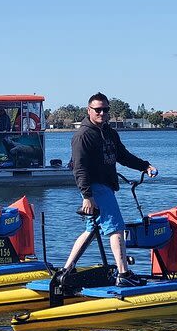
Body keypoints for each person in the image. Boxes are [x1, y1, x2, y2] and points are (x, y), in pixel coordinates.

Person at [62, 92, 158, 287]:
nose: (102, 113)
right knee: (116, 228)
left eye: (105, 110)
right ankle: (123, 274)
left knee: (91, 230)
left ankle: (66, 269)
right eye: (98, 110)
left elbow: (123, 156)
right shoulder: (83, 136)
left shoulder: (110, 132)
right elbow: (79, 168)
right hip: (95, 187)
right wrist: (87, 196)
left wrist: (145, 166)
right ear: (89, 110)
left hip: (105, 186)